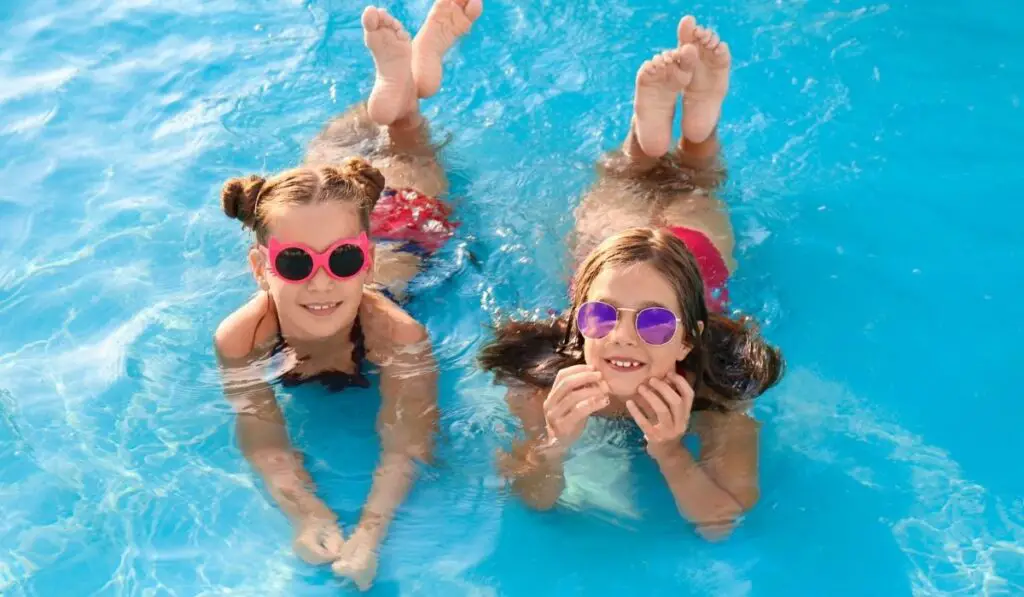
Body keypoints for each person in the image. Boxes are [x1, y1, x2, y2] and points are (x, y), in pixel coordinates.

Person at [478, 16, 784, 540]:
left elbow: (719, 523)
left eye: (656, 325)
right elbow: (534, 499)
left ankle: (692, 128)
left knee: (683, 187)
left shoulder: (716, 385)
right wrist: (552, 442)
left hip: (695, 259)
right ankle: (658, 131)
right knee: (662, 188)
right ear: (578, 323)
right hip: (615, 261)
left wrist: (668, 452)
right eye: (601, 317)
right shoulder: (541, 381)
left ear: (689, 338)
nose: (622, 335)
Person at [213, 0, 481, 590]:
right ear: (261, 268)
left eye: (343, 262)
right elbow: (261, 436)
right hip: (331, 211)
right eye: (292, 264)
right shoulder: (241, 336)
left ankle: (408, 82)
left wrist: (370, 532)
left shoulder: (397, 331)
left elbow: (410, 440)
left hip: (405, 226)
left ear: (362, 259)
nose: (321, 281)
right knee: (340, 163)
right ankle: (404, 82)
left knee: (407, 146)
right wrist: (304, 513)